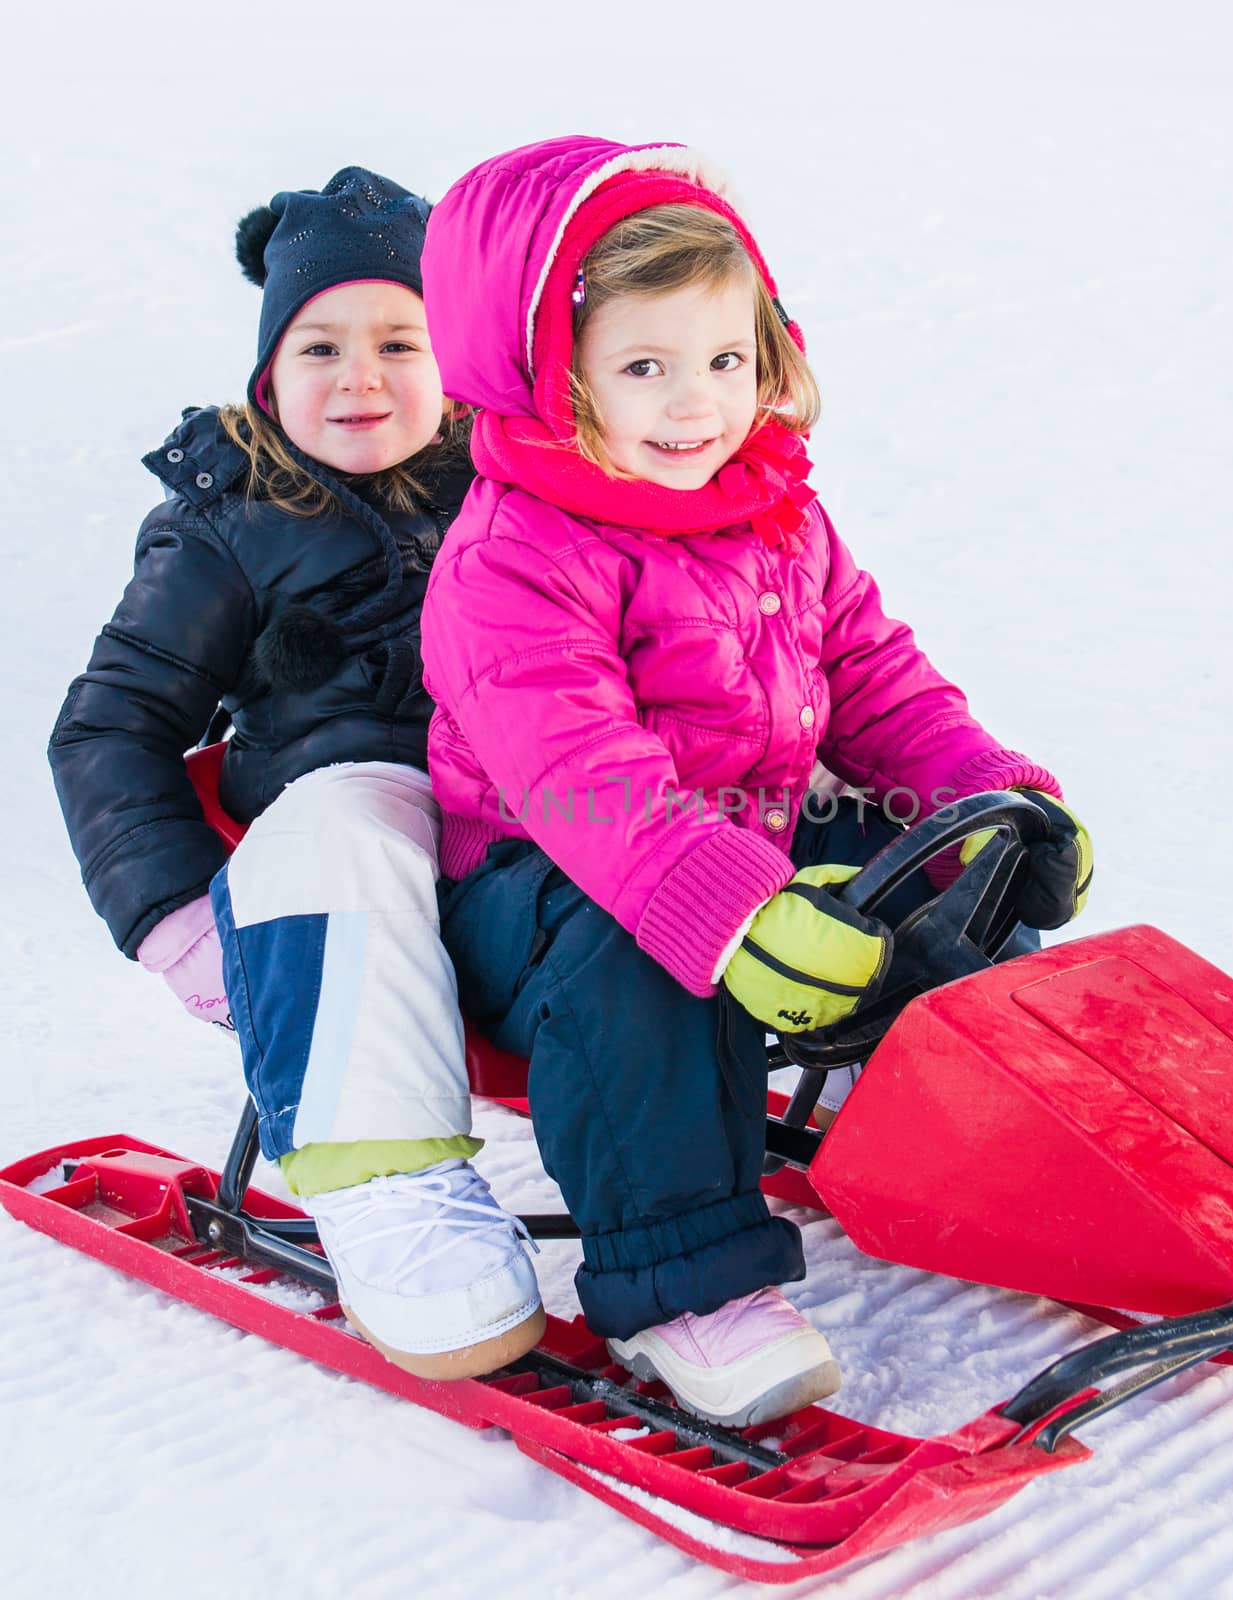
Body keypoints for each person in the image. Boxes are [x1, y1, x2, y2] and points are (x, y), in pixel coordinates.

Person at [416, 136, 1093, 1429]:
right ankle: (686, 1281)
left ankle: (980, 1136)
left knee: (952, 857)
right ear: (541, 378)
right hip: (535, 885)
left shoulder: (773, 507)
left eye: (725, 361)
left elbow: (877, 678)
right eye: (643, 368)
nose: (695, 405)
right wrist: (724, 907)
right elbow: (582, 781)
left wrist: (984, 795)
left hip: (740, 833)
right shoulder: (512, 558)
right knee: (638, 957)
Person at [48, 167, 545, 1383]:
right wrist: (173, 920)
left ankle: (850, 1022)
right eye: (319, 344)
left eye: (398, 339)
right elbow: (107, 726)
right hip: (346, 835)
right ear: (271, 373)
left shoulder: (519, 480)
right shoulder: (226, 523)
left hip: (520, 815)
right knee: (352, 816)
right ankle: (384, 1181)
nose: (359, 375)